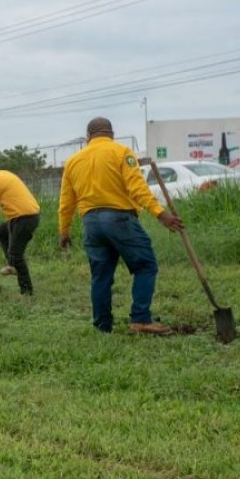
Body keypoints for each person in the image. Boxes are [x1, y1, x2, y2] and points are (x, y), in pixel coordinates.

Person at [59, 117, 184, 335]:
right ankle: (141, 319)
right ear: (111, 134)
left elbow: (66, 202)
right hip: (118, 219)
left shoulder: (72, 161)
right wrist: (160, 214)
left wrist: (64, 231)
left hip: (90, 223)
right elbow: (137, 188)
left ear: (88, 136)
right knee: (145, 265)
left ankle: (102, 326)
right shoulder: (121, 152)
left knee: (101, 276)